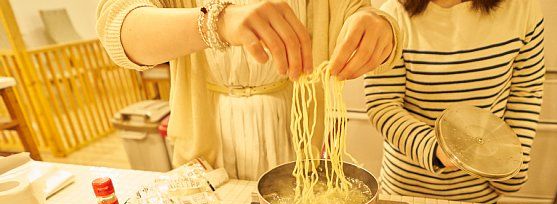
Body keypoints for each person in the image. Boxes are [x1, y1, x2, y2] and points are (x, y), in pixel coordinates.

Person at [97, 0, 401, 180]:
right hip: (206, 147)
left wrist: (379, 26)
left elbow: (360, 13)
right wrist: (217, 23)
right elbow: (118, 29)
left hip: (294, 142)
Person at [364, 0, 545, 203]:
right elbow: (383, 104)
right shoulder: (393, 16)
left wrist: (512, 165)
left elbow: (526, 93)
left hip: (480, 194)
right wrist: (435, 149)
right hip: (405, 189)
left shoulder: (522, 8)